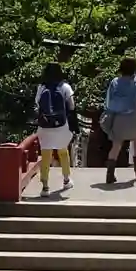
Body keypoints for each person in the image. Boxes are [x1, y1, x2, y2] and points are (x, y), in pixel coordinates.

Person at [103, 57, 136, 184]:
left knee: (116, 145)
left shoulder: (115, 82)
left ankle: (110, 174)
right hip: (133, 117)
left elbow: (108, 101)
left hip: (118, 117)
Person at [34, 62, 76, 195]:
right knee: (63, 152)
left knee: (46, 154)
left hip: (45, 125)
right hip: (61, 125)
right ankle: (66, 180)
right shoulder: (65, 87)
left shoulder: (41, 87)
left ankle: (45, 187)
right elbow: (72, 106)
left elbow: (37, 104)